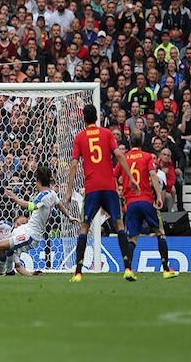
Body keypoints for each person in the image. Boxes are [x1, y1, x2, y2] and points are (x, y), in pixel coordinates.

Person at [65, 104, 140, 283]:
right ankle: (128, 269)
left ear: (83, 119)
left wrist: (68, 192)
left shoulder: (80, 137)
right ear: (97, 119)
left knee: (84, 227)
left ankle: (77, 272)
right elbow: (120, 156)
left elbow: (74, 164)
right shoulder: (107, 134)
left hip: (91, 189)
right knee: (119, 224)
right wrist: (130, 177)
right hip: (109, 187)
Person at [113, 130, 179, 280]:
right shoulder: (147, 156)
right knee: (160, 232)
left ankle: (128, 269)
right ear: (142, 142)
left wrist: (118, 192)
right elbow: (153, 175)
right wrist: (158, 195)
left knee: (133, 238)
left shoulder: (124, 158)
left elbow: (114, 175)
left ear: (129, 143)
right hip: (146, 200)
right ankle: (166, 269)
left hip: (130, 203)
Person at [0, 167, 78, 266]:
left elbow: (32, 206)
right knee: (7, 246)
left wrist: (15, 198)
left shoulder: (43, 196)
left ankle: (2, 271)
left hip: (30, 236)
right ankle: (9, 271)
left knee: (0, 246)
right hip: (26, 229)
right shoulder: (52, 193)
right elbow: (60, 206)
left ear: (38, 180)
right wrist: (69, 217)